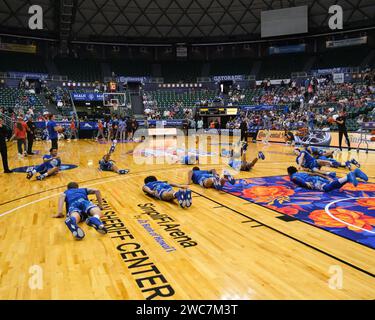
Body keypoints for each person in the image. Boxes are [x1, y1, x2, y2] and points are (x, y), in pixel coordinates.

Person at [287, 166, 368, 192]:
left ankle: (349, 176)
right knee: (335, 185)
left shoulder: (292, 176)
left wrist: (305, 183)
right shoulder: (301, 172)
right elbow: (314, 173)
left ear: (289, 173)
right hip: (316, 177)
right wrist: (325, 177)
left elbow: (294, 178)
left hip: (312, 181)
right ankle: (354, 173)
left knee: (327, 188)